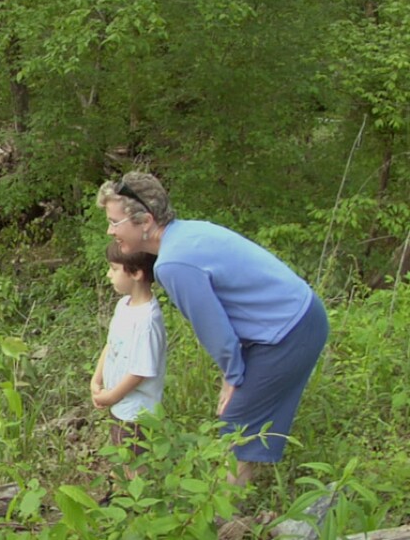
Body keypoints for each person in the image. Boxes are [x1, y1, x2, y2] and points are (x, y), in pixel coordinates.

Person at [97, 171, 329, 486]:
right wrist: (232, 373)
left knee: (236, 429)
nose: (110, 230)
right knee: (239, 424)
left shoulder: (174, 263)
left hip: (290, 330)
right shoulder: (187, 233)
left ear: (145, 221)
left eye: (114, 222)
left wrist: (233, 376)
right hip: (295, 319)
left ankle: (225, 524)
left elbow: (215, 330)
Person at [90, 240, 166, 480]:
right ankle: (125, 492)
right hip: (119, 403)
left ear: (136, 273)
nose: (108, 274)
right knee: (122, 451)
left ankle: (140, 504)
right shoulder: (124, 305)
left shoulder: (147, 321)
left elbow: (141, 371)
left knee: (134, 457)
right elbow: (111, 344)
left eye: (114, 269)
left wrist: (112, 396)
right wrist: (97, 379)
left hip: (136, 410)